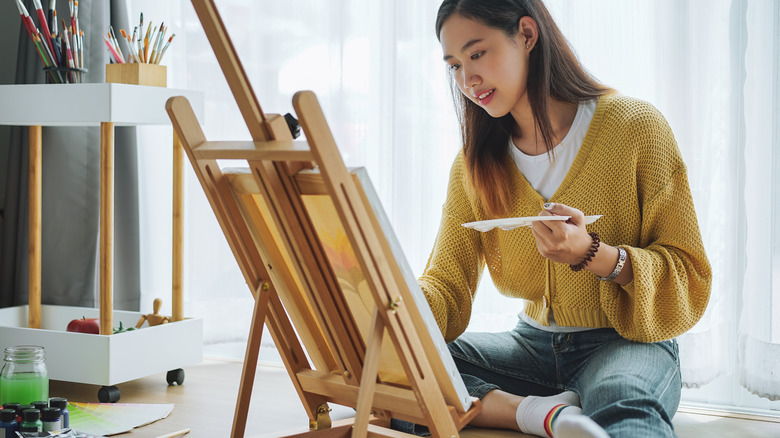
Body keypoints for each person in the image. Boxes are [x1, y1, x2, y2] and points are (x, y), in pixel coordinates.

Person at [415, 0, 713, 437]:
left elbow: (689, 273)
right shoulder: (473, 165)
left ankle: (544, 410)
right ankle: (541, 414)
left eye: (477, 54)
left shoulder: (636, 128)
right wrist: (394, 304)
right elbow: (446, 284)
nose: (467, 79)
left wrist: (596, 254)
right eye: (454, 65)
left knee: (624, 408)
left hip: (625, 345)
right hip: (529, 346)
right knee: (403, 371)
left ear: (527, 35)